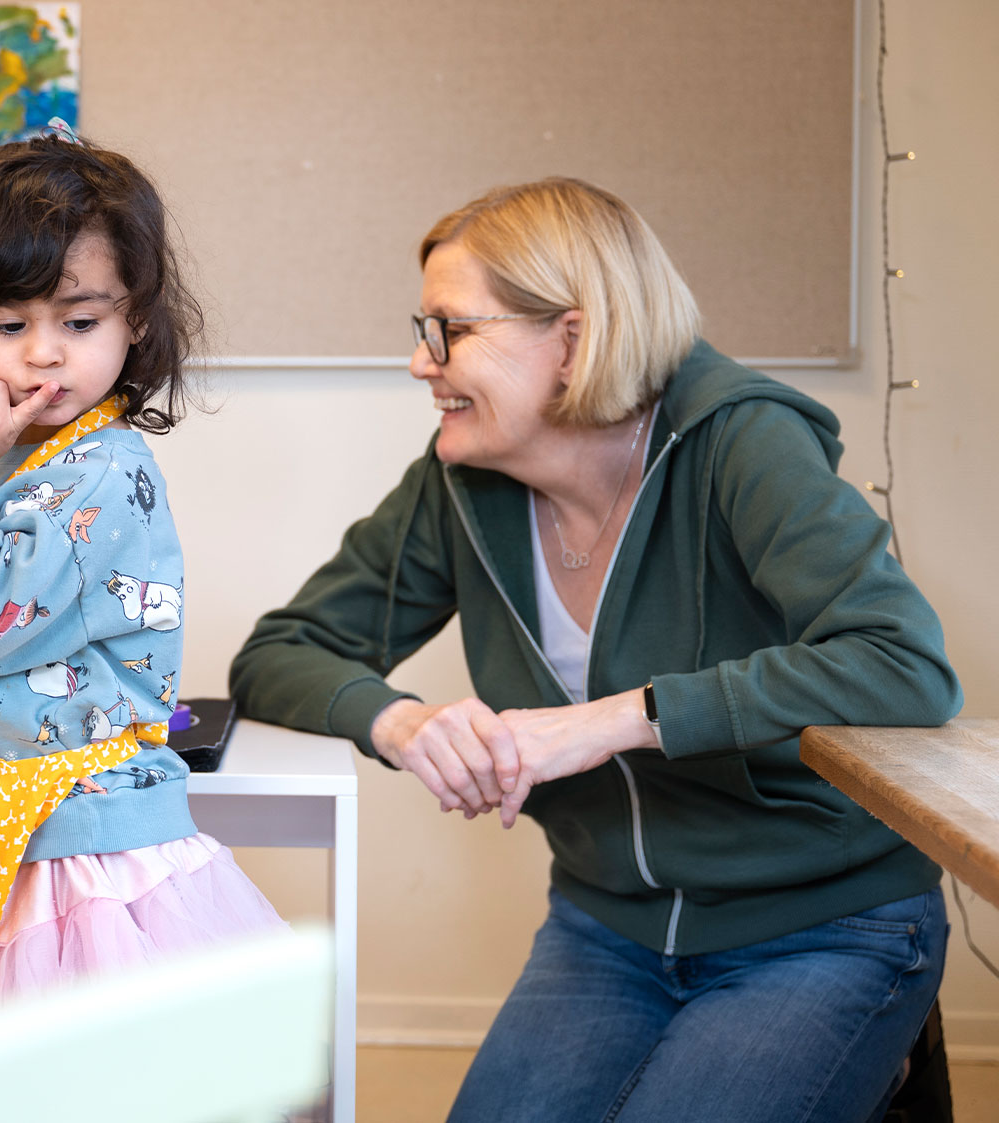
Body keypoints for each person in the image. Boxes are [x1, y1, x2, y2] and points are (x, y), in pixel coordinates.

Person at [230, 177, 960, 1123]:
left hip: (824, 924)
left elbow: (902, 661)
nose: (420, 362)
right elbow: (281, 650)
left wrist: (617, 720)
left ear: (571, 341)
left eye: (450, 330)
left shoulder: (741, 441)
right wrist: (401, 722)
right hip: (607, 928)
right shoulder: (461, 484)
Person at [0, 122, 285, 1039]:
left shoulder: (98, 472)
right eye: (9, 326)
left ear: (136, 320)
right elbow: (22, 631)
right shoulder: (35, 457)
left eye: (79, 323)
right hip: (26, 832)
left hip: (82, 850)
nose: (43, 352)